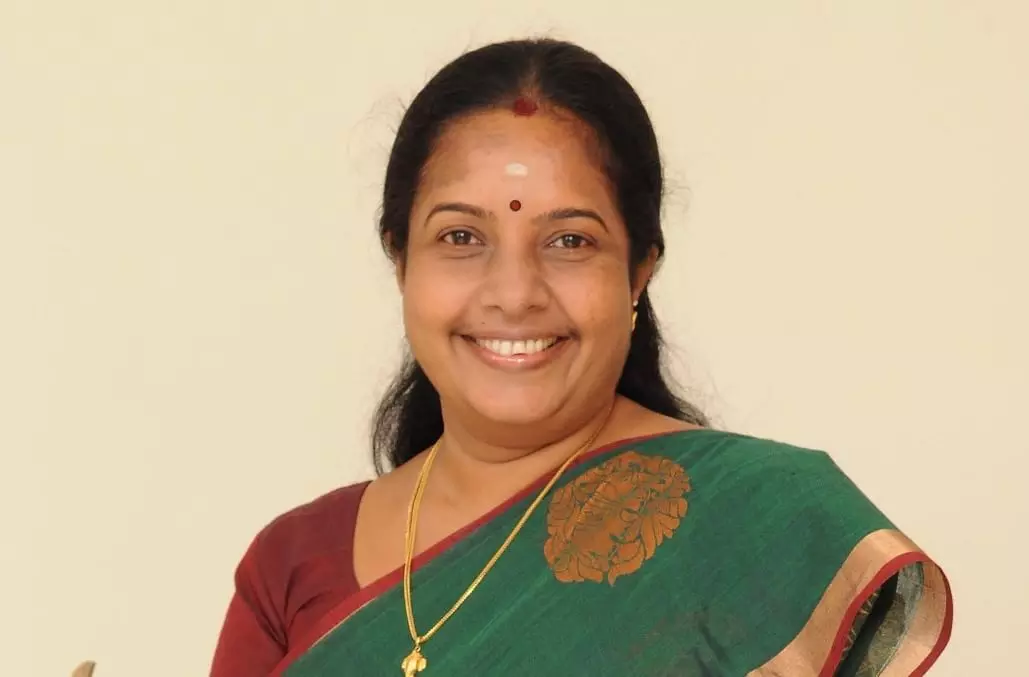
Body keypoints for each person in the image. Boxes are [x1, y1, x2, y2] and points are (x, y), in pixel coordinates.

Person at [210, 38, 952, 676]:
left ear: (638, 271)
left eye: (569, 240)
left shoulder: (763, 526)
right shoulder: (292, 562)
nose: (513, 294)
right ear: (400, 261)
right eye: (461, 237)